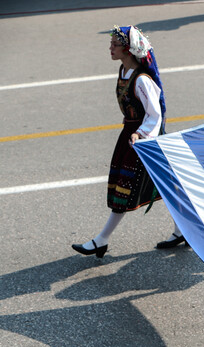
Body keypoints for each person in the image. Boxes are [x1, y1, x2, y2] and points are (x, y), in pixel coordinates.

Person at [72, 25, 181, 257]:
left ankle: (101, 239)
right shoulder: (124, 71)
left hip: (141, 139)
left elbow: (155, 114)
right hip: (130, 135)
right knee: (164, 185)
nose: (110, 48)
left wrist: (140, 134)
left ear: (128, 49)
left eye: (115, 44)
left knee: (126, 189)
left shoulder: (141, 80)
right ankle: (182, 230)